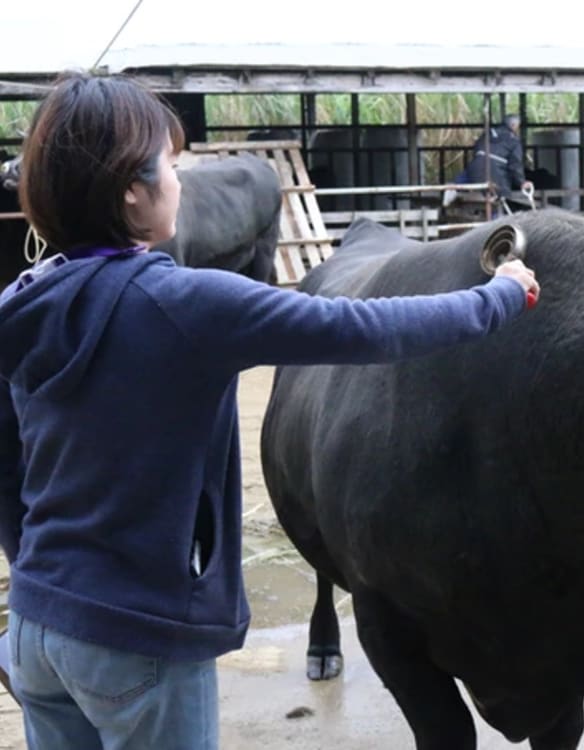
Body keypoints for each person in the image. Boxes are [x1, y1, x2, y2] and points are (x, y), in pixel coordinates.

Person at [0, 71, 540, 750]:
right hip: (137, 637)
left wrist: (39, 584)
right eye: (172, 165)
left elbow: (7, 471)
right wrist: (499, 297)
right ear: (131, 190)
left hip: (37, 630)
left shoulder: (20, 303)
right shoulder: (187, 305)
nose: (179, 181)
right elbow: (362, 329)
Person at [454, 113, 533, 201]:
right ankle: (497, 213)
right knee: (501, 195)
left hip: (475, 168)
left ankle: (453, 188)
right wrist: (521, 182)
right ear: (513, 125)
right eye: (518, 126)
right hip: (495, 172)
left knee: (468, 177)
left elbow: (476, 150)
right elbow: (515, 164)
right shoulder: (513, 141)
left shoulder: (487, 134)